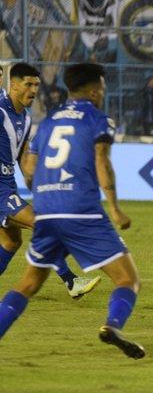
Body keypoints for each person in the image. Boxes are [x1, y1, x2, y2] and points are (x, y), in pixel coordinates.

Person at [0, 63, 144, 359]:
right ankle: (112, 325)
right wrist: (115, 209)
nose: (103, 93)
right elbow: (102, 163)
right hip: (81, 211)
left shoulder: (46, 120)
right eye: (102, 88)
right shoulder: (97, 118)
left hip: (48, 209)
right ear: (94, 90)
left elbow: (28, 166)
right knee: (128, 279)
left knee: (24, 276)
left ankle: (68, 283)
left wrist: (42, 187)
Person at [0, 63, 99, 299]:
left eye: (36, 84)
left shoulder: (24, 118)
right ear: (13, 84)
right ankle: (71, 281)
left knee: (11, 242)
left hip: (7, 185)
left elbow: (24, 159)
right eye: (28, 84)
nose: (34, 90)